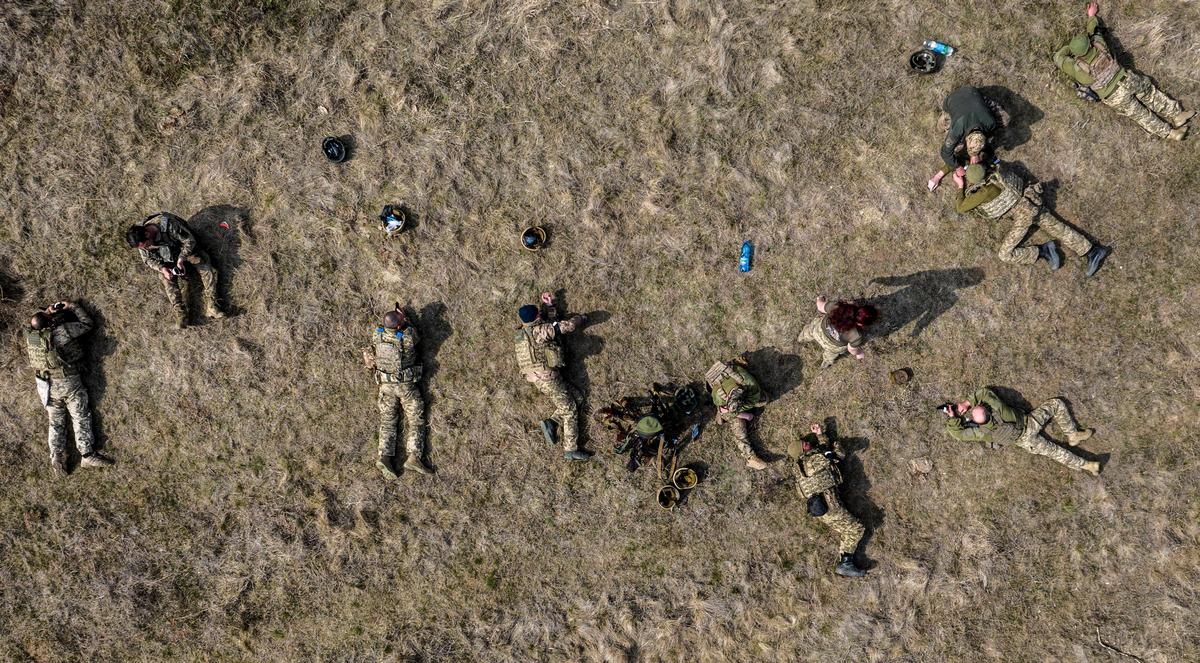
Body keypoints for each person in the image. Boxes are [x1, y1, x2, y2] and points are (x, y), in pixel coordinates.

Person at [1054, 2, 1193, 140]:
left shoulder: (1076, 68)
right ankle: (1177, 115)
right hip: (1126, 79)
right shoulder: (1099, 44)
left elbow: (1058, 57)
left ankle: (1172, 134)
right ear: (1089, 44)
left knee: (1141, 115)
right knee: (1150, 94)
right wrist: (1091, 16)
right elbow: (1093, 30)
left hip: (1113, 96)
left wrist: (1070, 48)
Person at [955, 161, 1109, 276]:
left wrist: (960, 185)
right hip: (1031, 199)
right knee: (1059, 229)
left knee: (1005, 255)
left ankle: (1043, 251)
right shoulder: (997, 171)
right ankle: (1092, 250)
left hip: (1023, 215)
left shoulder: (983, 192)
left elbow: (960, 207)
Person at [24, 300, 113, 474]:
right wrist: (72, 306)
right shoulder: (60, 333)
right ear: (50, 323)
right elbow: (87, 324)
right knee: (80, 416)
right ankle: (87, 455)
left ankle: (56, 457)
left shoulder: (31, 337)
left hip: (45, 386)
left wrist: (47, 313)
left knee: (55, 423)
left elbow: (36, 322)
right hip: (68, 383)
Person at [942, 387, 1101, 476]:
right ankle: (1073, 434)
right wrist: (967, 403)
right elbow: (985, 393)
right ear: (988, 411)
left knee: (1056, 452)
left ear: (976, 423)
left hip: (1026, 442)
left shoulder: (982, 433)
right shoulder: (1000, 409)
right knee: (1057, 404)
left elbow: (958, 434)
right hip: (1030, 422)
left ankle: (1088, 465)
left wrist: (953, 417)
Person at [514, 291, 591, 461]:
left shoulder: (521, 334)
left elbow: (551, 324)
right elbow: (565, 326)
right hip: (548, 378)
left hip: (539, 379)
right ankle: (570, 450)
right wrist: (581, 318)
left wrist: (550, 306)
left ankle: (552, 423)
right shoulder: (539, 331)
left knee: (578, 396)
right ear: (536, 317)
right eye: (539, 314)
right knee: (569, 409)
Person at [787, 423, 867, 578]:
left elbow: (825, 452)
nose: (807, 442)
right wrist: (834, 442)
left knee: (848, 530)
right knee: (855, 528)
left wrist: (820, 434)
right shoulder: (811, 462)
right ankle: (845, 563)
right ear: (801, 451)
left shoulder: (803, 466)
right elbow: (836, 454)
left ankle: (845, 562)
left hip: (822, 507)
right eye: (804, 444)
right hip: (830, 506)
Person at [362, 306, 431, 478]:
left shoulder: (377, 335)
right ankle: (414, 457)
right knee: (415, 419)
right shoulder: (407, 337)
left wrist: (397, 320)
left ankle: (384, 457)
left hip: (385, 386)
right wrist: (406, 320)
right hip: (406, 387)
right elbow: (416, 336)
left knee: (388, 421)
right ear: (400, 325)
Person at [125, 212, 225, 329]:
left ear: (147, 233)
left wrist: (181, 258)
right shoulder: (139, 238)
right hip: (167, 257)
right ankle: (181, 314)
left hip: (184, 249)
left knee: (205, 265)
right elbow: (147, 259)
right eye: (143, 247)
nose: (146, 248)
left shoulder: (169, 225)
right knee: (165, 277)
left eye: (146, 244)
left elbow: (189, 241)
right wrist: (162, 268)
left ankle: (212, 305)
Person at [927, 85, 1004, 191]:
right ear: (966, 138)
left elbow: (983, 140)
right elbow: (945, 153)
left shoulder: (991, 123)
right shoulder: (957, 130)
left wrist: (974, 154)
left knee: (1002, 118)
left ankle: (977, 102)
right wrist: (957, 167)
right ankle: (946, 117)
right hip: (952, 99)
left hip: (971, 91)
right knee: (942, 129)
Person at [704, 357, 769, 470]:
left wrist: (747, 414)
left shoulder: (751, 386)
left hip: (740, 388)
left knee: (764, 400)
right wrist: (738, 414)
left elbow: (752, 402)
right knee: (737, 424)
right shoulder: (718, 397)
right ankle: (750, 457)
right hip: (719, 388)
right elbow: (726, 411)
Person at [799, 297, 878, 368]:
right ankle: (826, 362)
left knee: (809, 331)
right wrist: (859, 353)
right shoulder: (856, 335)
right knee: (830, 355)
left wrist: (819, 299)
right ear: (862, 324)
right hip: (832, 347)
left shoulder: (837, 307)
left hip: (817, 330)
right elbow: (851, 349)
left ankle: (801, 338)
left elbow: (820, 306)